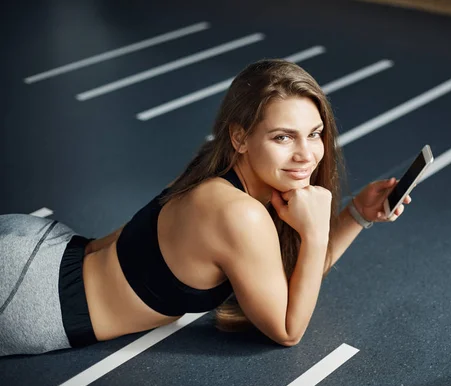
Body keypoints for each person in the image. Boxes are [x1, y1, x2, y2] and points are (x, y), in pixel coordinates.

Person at [0, 59, 411, 357]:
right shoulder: (238, 214)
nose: (307, 154)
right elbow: (288, 329)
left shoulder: (220, 174)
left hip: (46, 251)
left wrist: (355, 213)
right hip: (31, 296)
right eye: (284, 138)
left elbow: (282, 278)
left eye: (315, 134)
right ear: (240, 138)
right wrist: (317, 229)